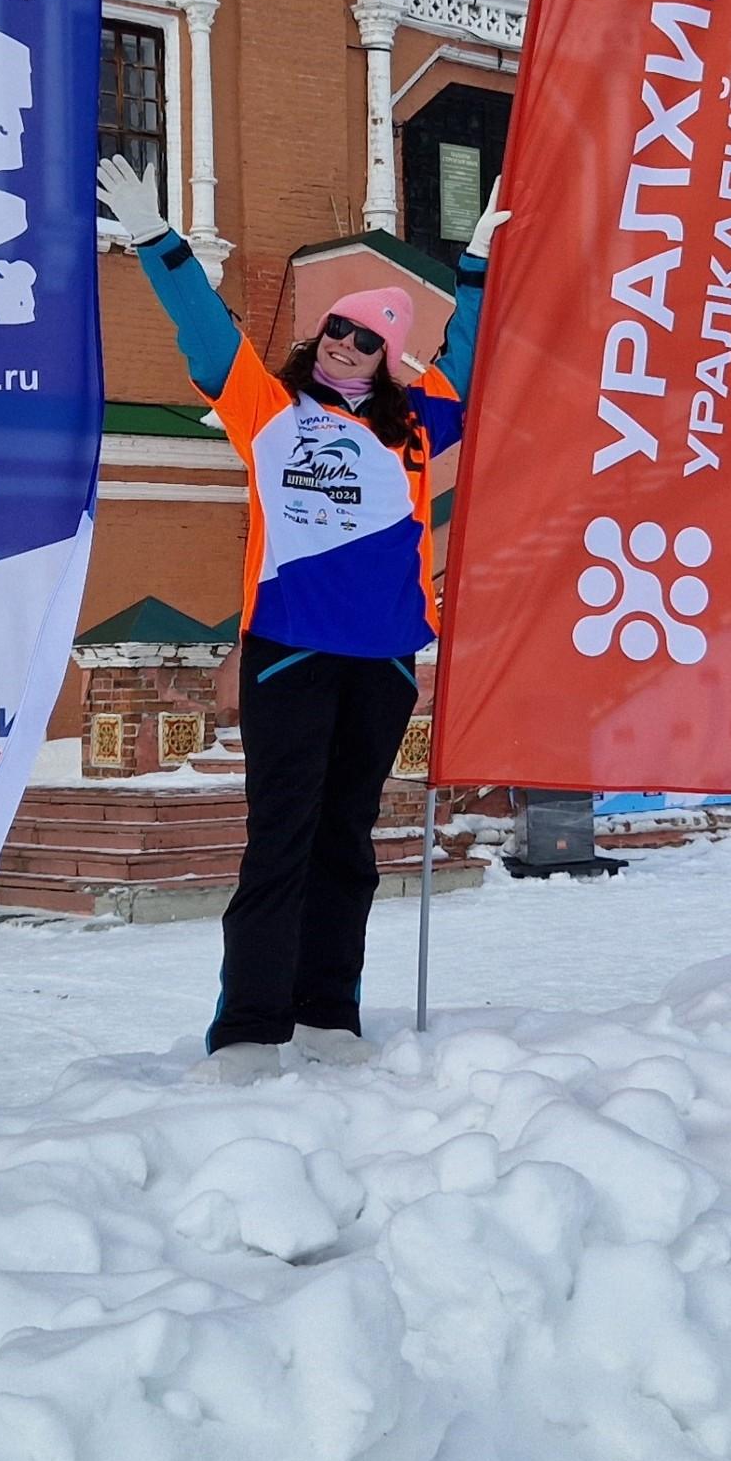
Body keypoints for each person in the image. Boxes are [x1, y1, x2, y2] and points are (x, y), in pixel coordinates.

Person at [96, 154, 501, 1078]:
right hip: (290, 653)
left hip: (386, 660)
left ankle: (328, 1013)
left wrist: (473, 268)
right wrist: (159, 241)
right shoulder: (270, 410)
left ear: (387, 358)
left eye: (361, 340)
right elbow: (207, 338)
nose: (340, 347)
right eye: (333, 333)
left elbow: (467, 361)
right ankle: (248, 1028)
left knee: (348, 844)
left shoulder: (416, 424)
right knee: (280, 838)